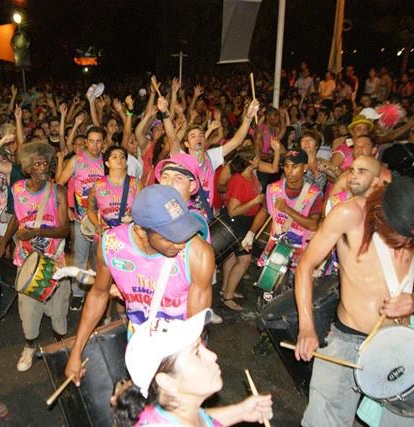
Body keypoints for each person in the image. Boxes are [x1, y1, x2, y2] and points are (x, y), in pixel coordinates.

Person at [294, 176, 414, 427]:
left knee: (404, 421)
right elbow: (305, 265)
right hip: (348, 339)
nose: (406, 245)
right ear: (382, 215)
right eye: (399, 236)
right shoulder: (349, 215)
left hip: (398, 342)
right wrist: (306, 327)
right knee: (322, 421)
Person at [65, 185, 215, 384]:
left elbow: (195, 327)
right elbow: (98, 294)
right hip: (139, 342)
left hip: (182, 350)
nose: (180, 243)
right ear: (141, 231)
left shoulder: (198, 253)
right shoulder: (112, 245)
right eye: (170, 236)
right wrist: (76, 352)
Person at [113, 308, 273, 426]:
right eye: (196, 353)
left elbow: (200, 419)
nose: (213, 356)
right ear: (167, 381)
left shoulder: (173, 412)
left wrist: (241, 411)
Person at [0, 142, 71, 372]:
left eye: (45, 163)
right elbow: (16, 218)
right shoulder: (18, 189)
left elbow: (65, 230)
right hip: (27, 259)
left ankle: (60, 345)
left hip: (53, 260)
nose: (43, 167)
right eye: (37, 164)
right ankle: (29, 346)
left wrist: (36, 232)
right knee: (28, 309)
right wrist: (3, 243)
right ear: (28, 168)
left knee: (59, 308)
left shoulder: (58, 191)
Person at [243, 149, 322, 280]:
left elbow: (313, 225)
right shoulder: (273, 189)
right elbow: (264, 211)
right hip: (276, 249)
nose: (289, 171)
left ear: (305, 167)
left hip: (300, 251)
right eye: (286, 166)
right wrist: (251, 233)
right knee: (267, 285)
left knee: (293, 287)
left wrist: (287, 209)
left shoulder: (313, 194)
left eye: (295, 166)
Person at [219, 143, 280, 311]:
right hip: (236, 222)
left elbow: (274, 168)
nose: (260, 159)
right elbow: (232, 211)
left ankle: (225, 289)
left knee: (232, 257)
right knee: (244, 260)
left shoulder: (251, 174)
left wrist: (276, 151)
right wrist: (255, 201)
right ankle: (228, 298)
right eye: (257, 157)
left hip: (244, 221)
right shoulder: (239, 180)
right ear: (250, 161)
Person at [57, 127, 106, 310]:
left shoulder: (107, 161)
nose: (95, 145)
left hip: (102, 221)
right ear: (86, 142)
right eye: (91, 141)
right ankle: (77, 294)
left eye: (98, 141)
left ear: (103, 143)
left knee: (98, 259)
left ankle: (95, 291)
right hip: (80, 219)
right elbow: (60, 184)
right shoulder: (76, 160)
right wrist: (67, 209)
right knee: (80, 257)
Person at [87, 145, 140, 236]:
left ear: (126, 162)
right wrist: (97, 224)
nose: (119, 159)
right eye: (114, 157)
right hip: (106, 235)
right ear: (107, 163)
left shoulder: (136, 183)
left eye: (122, 157)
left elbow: (142, 209)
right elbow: (91, 210)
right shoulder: (98, 185)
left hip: (130, 235)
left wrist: (132, 216)